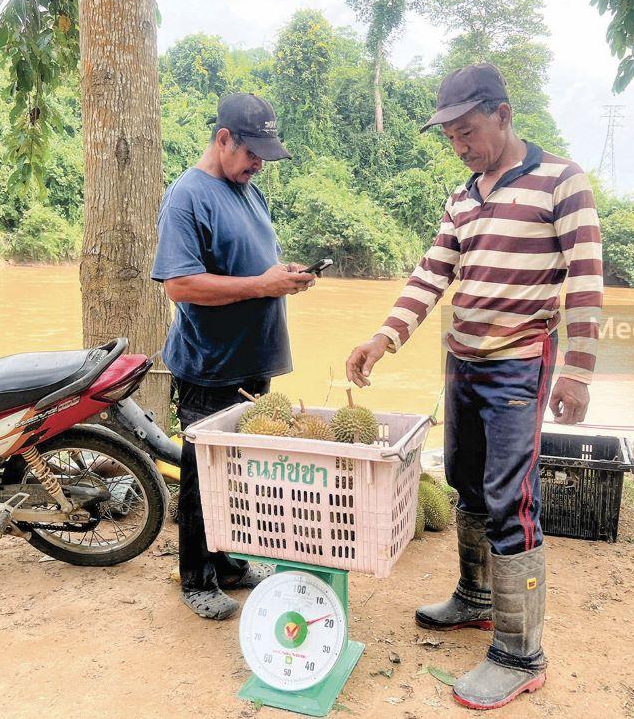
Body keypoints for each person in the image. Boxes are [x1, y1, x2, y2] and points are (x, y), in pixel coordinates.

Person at [345, 63, 603, 710]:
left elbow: (587, 279)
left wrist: (576, 370)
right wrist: (384, 337)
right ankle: (476, 596)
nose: (461, 146)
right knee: (463, 478)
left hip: (520, 364)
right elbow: (431, 274)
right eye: (451, 136)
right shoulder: (463, 197)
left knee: (510, 498)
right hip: (463, 362)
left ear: (504, 115)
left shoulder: (561, 181)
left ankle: (521, 653)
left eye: (469, 131)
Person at [152, 93, 316, 620]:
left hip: (252, 361)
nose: (258, 164)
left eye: (265, 155)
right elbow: (178, 285)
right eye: (252, 153)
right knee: (203, 478)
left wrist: (281, 277)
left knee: (237, 475)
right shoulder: (188, 196)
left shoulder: (249, 192)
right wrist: (260, 284)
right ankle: (196, 576)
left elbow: (253, 268)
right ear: (223, 139)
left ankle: (226, 565)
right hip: (210, 364)